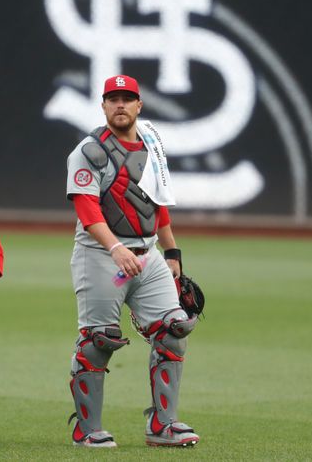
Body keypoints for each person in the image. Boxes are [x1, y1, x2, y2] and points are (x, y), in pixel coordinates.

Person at [65, 75, 200, 448]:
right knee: (98, 341)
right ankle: (87, 429)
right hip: (102, 256)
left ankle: (163, 425)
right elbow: (87, 209)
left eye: (127, 99)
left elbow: (157, 201)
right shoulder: (89, 151)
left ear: (139, 105)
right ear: (103, 105)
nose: (120, 105)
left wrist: (172, 253)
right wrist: (114, 249)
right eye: (113, 99)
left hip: (148, 254)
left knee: (174, 331)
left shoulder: (153, 142)